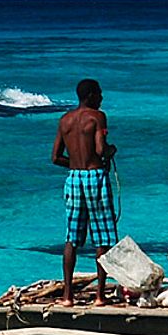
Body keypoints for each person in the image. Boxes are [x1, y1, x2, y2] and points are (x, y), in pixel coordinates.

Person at [51, 77, 118, 305]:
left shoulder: (65, 120)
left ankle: (67, 296)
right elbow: (100, 149)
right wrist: (111, 151)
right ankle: (100, 296)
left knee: (72, 238)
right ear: (90, 95)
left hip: (74, 178)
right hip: (95, 177)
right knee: (103, 238)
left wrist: (74, 164)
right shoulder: (97, 117)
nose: (101, 97)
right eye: (99, 93)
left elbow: (55, 157)